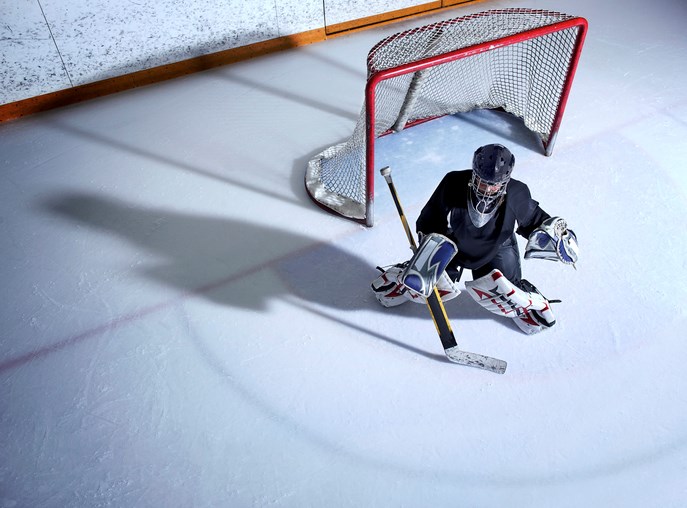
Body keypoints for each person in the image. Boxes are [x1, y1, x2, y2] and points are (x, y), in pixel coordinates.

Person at [372, 143, 578, 334]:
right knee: (429, 283)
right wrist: (426, 254)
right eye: (482, 182)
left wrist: (557, 236)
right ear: (474, 174)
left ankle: (526, 305)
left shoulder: (516, 193)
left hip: (497, 247)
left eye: (494, 185)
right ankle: (402, 279)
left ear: (505, 182)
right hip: (453, 246)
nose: (488, 190)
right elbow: (430, 218)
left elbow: (534, 219)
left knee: (508, 292)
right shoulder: (453, 183)